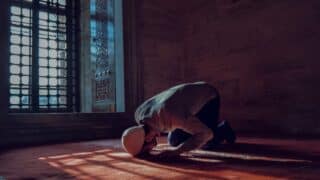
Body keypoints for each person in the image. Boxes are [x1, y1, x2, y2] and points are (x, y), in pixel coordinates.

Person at [121, 81, 236, 157]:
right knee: (174, 142)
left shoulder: (174, 117)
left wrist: (176, 152)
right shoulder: (139, 113)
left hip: (208, 98)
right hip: (181, 107)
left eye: (147, 150)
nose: (150, 150)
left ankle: (223, 129)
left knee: (207, 141)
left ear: (147, 138)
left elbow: (206, 134)